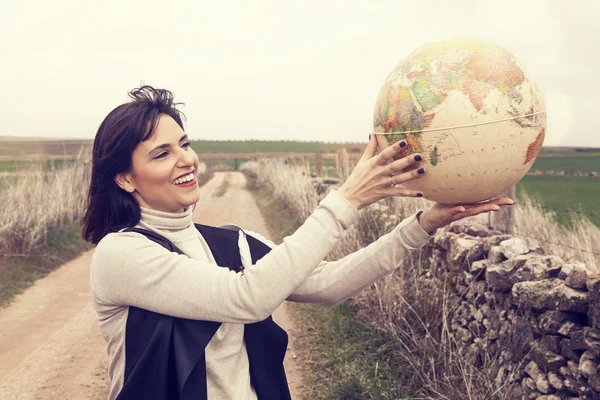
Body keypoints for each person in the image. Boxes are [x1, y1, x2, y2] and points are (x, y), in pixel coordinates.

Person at [84, 86, 513, 400]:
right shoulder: (121, 255)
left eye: (184, 144)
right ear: (124, 177)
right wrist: (347, 199)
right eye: (161, 154)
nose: (186, 160)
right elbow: (247, 297)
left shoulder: (231, 242)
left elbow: (323, 284)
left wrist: (422, 225)